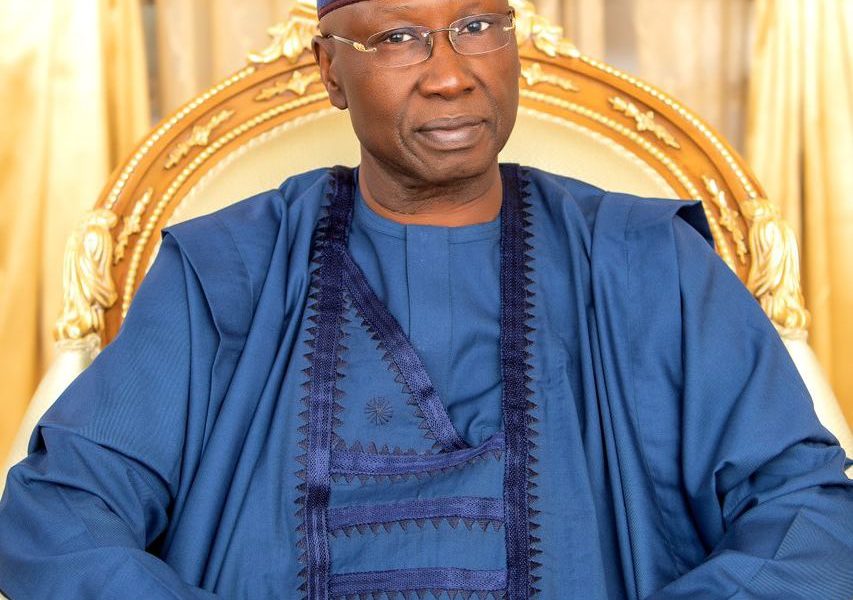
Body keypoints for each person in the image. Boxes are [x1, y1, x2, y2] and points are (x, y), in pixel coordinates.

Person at [0, 0, 851, 597]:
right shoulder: (227, 269)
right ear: (329, 70)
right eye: (398, 38)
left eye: (477, 26)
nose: (450, 76)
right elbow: (59, 510)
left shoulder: (647, 262)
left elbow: (808, 513)